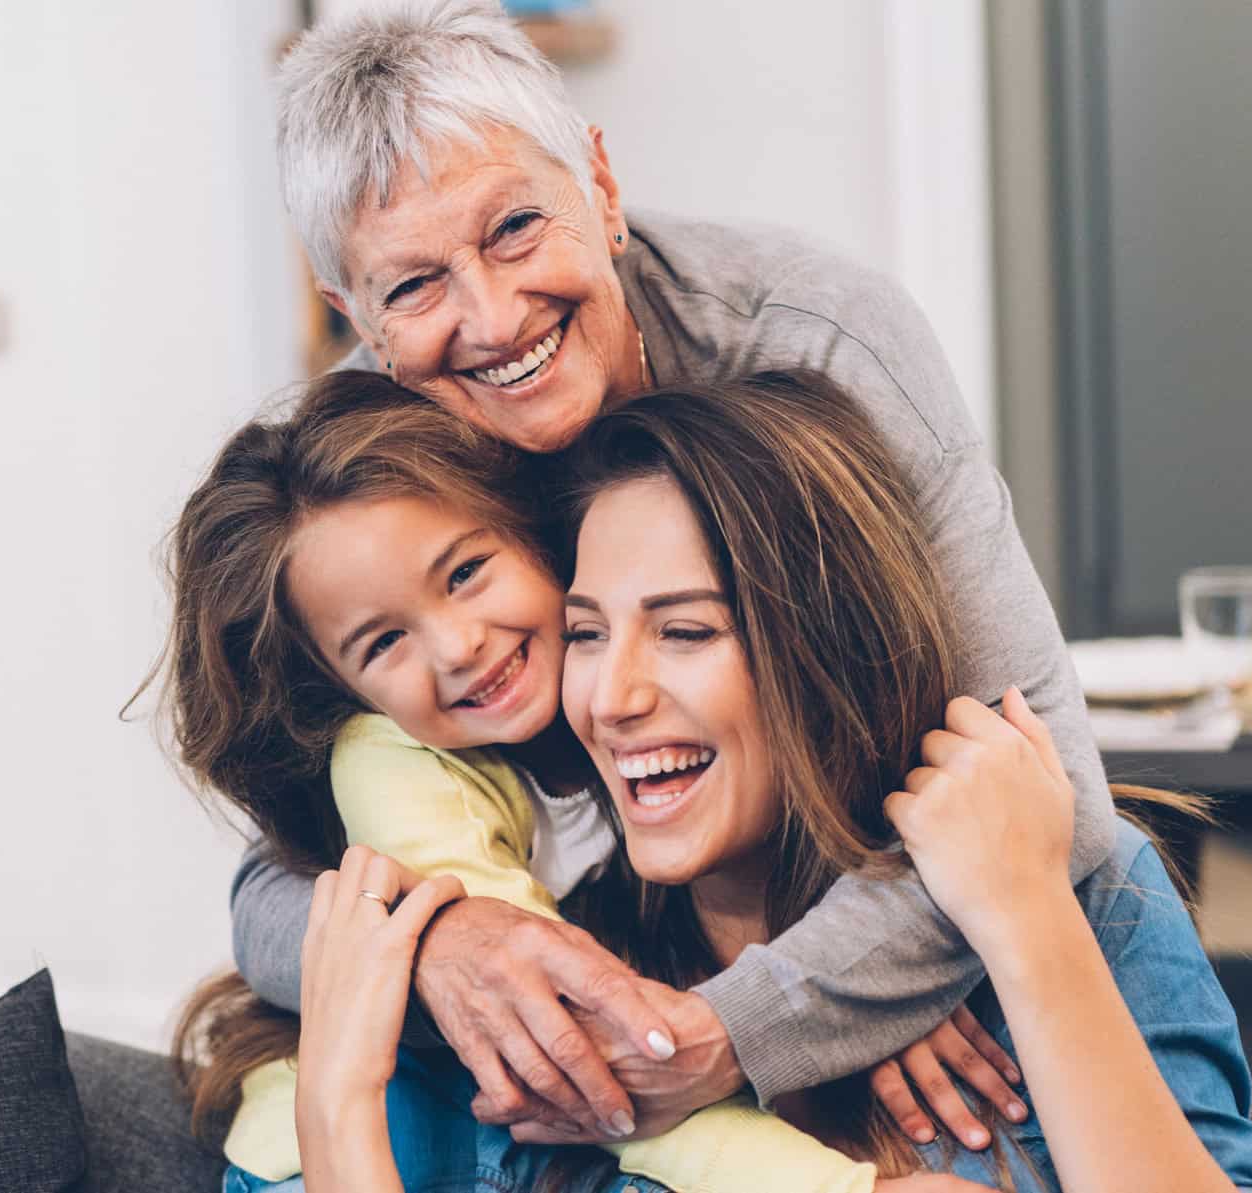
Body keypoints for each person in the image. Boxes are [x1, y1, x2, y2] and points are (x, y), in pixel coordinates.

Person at [232, 0, 1113, 1150]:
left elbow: (1055, 793)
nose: (492, 319)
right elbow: (268, 889)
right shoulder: (363, 468)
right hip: (621, 972)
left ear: (599, 186)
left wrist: (751, 1016)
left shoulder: (818, 343)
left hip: (866, 950)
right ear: (356, 319)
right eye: (413, 288)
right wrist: (441, 942)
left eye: (512, 228)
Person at [276, 375, 1252, 1192]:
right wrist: (335, 1106)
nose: (611, 696)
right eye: (586, 632)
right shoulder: (590, 982)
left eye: (685, 630)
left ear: (828, 652)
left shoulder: (1089, 898)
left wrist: (1023, 921)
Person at [159, 371, 941, 1191]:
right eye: (383, 642)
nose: (458, 645)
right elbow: (572, 1047)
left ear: (532, 534)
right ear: (343, 691)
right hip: (363, 1153)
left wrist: (875, 998)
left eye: (463, 573)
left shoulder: (620, 709)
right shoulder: (397, 769)